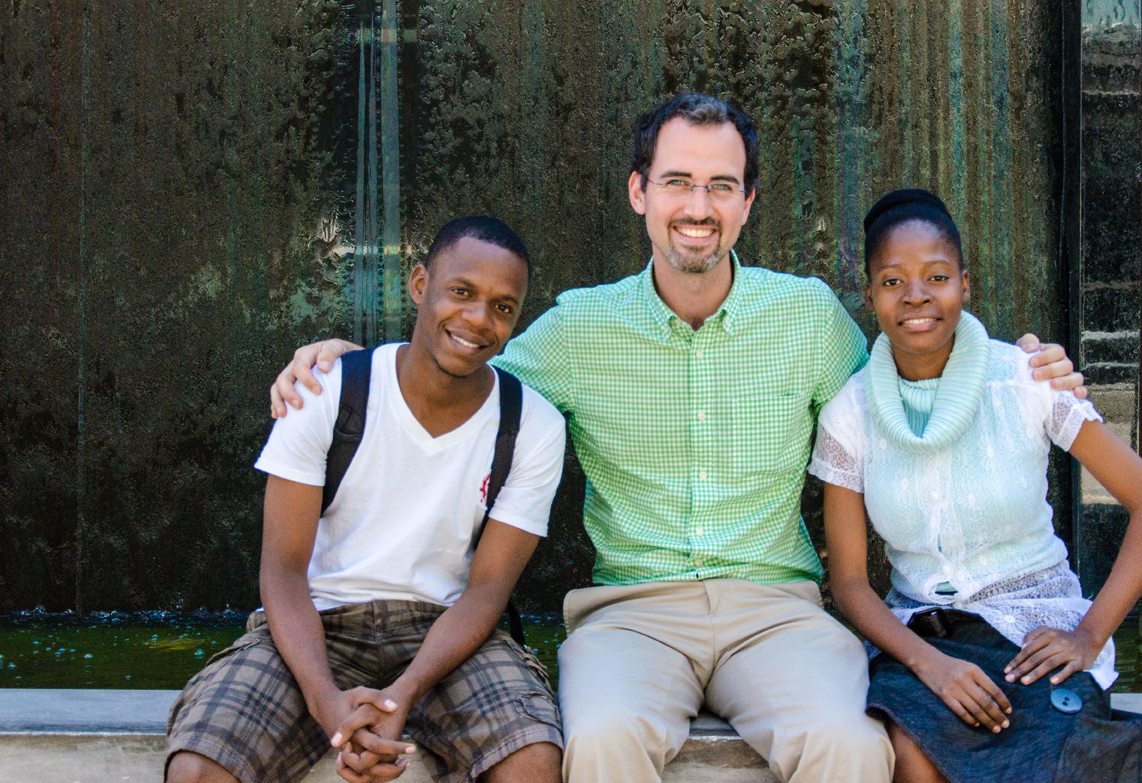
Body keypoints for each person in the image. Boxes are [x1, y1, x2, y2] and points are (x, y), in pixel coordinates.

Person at [270, 95, 1085, 783]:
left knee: (849, 745)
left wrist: (1019, 364)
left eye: (720, 186)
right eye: (677, 182)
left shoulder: (805, 318)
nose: (697, 206)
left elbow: (911, 373)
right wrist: (347, 357)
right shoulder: (579, 328)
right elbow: (455, 364)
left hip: (778, 611)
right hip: (631, 615)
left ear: (746, 203)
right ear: (639, 191)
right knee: (597, 741)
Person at [167, 216, 568, 783]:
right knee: (198, 769)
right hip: (318, 626)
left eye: (503, 307)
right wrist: (326, 701)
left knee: (532, 761)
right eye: (461, 292)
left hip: (449, 637)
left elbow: (486, 593)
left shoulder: (532, 426)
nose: (479, 319)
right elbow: (282, 570)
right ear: (418, 285)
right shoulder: (326, 391)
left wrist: (402, 693)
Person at [811, 189, 1142, 783]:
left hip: (1034, 629)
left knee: (1054, 758)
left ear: (966, 284)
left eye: (936, 276)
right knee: (911, 753)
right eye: (892, 281)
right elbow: (851, 582)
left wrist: (1090, 633)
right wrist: (929, 665)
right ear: (869, 296)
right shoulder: (850, 413)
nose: (916, 296)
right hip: (919, 639)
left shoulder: (1027, 380)